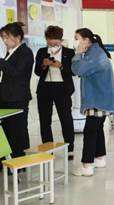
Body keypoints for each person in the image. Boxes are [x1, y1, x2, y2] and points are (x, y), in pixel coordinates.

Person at [71, 29, 114, 177]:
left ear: (86, 40)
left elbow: (78, 69)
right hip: (100, 98)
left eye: (77, 38)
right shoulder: (95, 53)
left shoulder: (94, 55)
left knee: (90, 131)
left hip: (97, 100)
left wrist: (77, 54)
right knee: (97, 129)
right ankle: (99, 158)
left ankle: (87, 165)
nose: (75, 42)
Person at [34, 25, 76, 159]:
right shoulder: (41, 51)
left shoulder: (69, 52)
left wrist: (61, 66)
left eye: (55, 41)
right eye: (49, 41)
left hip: (62, 89)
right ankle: (48, 148)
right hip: (45, 88)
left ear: (61, 40)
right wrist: (44, 64)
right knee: (45, 120)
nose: (52, 43)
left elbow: (73, 71)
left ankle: (70, 148)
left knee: (66, 119)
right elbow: (37, 72)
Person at [0, 22, 33, 158]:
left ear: (18, 37)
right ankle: (6, 159)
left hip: (17, 98)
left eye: (7, 37)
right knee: (6, 130)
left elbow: (18, 73)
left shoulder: (25, 52)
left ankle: (18, 160)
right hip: (6, 97)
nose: (4, 41)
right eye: (3, 37)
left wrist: (1, 62)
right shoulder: (10, 52)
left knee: (17, 130)